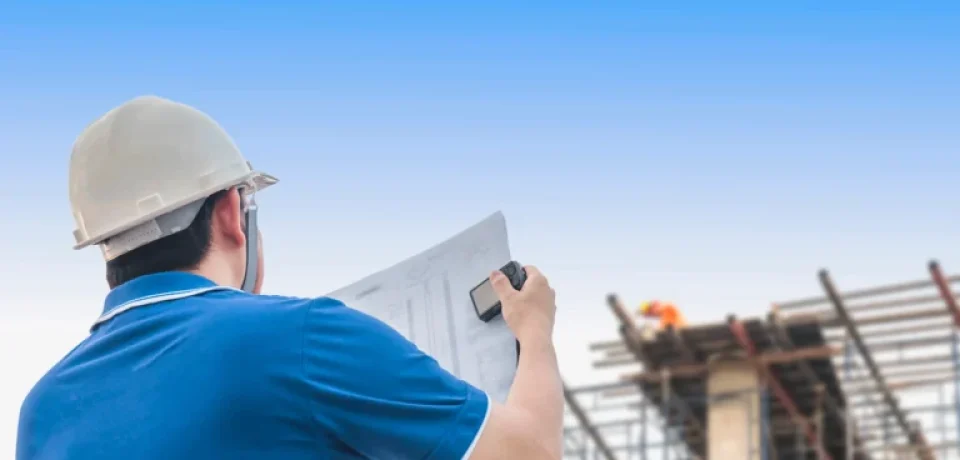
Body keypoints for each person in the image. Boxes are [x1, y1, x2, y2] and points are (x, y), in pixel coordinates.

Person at [17, 96, 564, 460]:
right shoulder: (304, 336)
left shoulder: (41, 410)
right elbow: (532, 452)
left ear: (104, 244)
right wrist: (534, 332)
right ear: (233, 210)